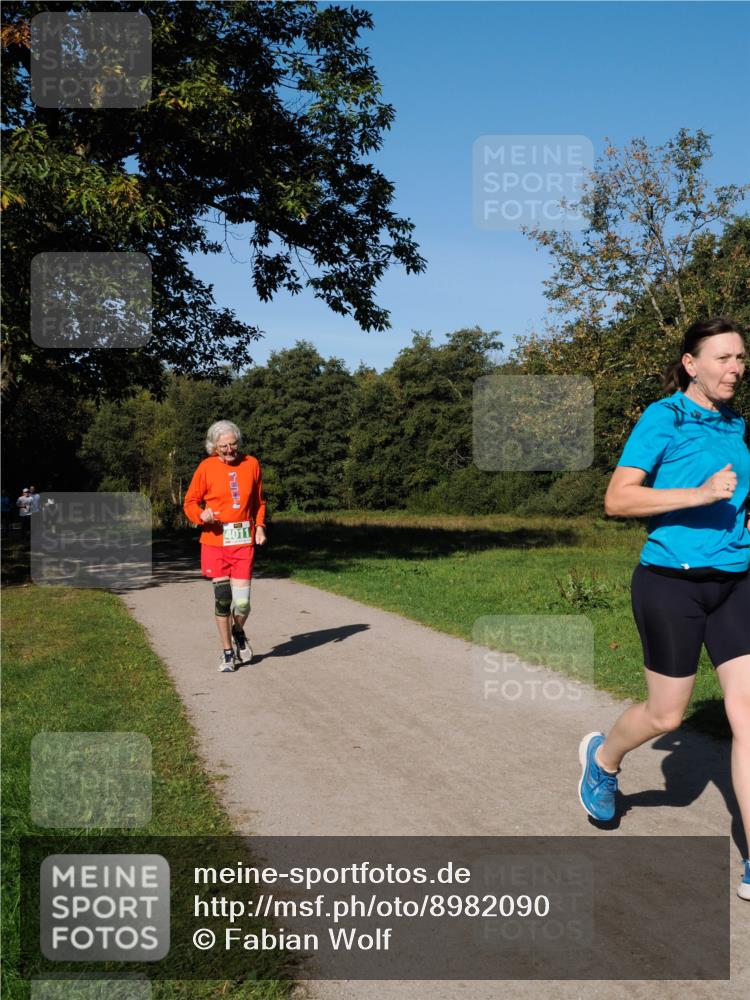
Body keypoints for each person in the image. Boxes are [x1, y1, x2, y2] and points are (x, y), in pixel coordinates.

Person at [578, 317, 750, 901]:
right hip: (670, 583)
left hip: (736, 584)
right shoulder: (663, 417)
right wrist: (699, 495)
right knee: (667, 717)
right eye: (723, 358)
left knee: (748, 718)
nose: (735, 368)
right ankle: (603, 761)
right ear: (690, 363)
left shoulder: (736, 425)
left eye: (741, 358)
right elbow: (618, 498)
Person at [183, 421, 267, 672]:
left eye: (233, 444)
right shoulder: (206, 468)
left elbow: (259, 502)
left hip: (242, 543)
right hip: (214, 542)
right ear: (213, 448)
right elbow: (190, 502)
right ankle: (227, 652)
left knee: (242, 605)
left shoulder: (251, 463)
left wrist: (260, 526)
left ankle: (238, 630)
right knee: (223, 600)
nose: (230, 450)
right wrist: (201, 516)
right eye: (223, 447)